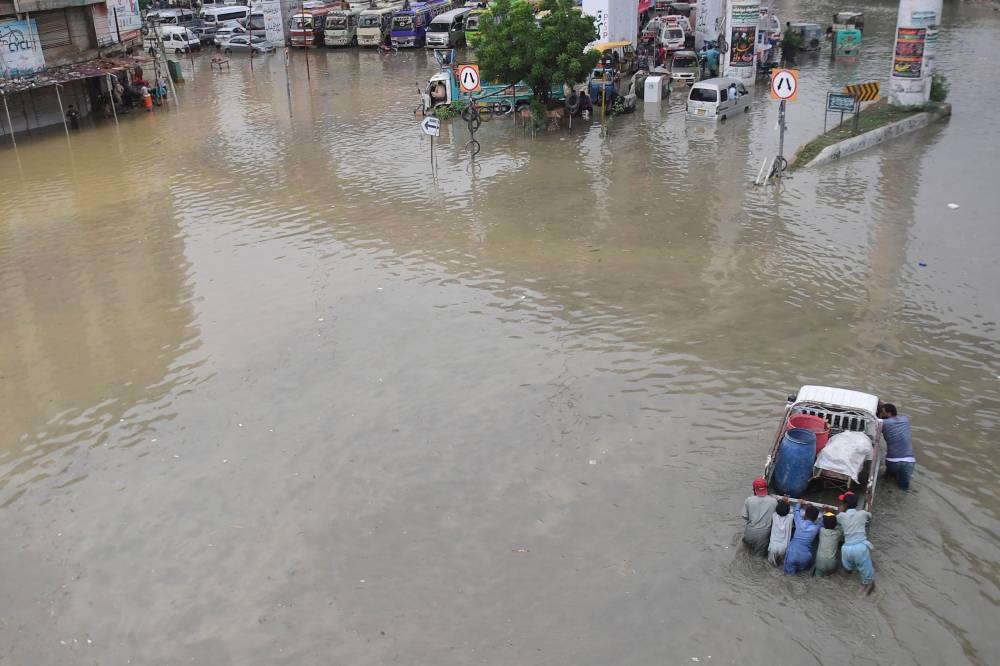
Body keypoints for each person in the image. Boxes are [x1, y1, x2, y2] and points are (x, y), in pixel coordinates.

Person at [836, 491, 875, 594]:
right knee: (867, 572)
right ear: (856, 505)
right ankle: (867, 586)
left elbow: (836, 519)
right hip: (860, 547)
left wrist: (840, 511)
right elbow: (869, 515)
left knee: (848, 568)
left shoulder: (841, 516)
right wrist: (869, 501)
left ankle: (851, 570)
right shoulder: (862, 513)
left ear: (844, 505)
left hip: (846, 549)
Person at [879, 403, 916, 490]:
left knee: (886, 481)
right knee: (903, 489)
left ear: (888, 413)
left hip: (892, 461)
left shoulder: (882, 423)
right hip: (909, 462)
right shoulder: (905, 420)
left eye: (882, 412)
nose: (881, 414)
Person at [741, 476, 776, 556]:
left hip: (749, 534)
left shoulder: (749, 500)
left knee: (747, 551)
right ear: (766, 489)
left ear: (754, 489)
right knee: (759, 556)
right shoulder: (774, 501)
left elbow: (744, 516)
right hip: (764, 536)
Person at [783, 499, 820, 575]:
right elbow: (823, 521)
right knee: (803, 573)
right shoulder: (816, 528)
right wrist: (828, 511)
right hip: (806, 557)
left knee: (788, 575)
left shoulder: (799, 522)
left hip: (792, 554)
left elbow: (796, 511)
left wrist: (799, 503)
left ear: (805, 515)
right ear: (816, 519)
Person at [813, 512, 842, 576]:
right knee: (828, 574)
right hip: (832, 564)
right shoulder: (838, 533)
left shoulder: (821, 530)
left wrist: (826, 512)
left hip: (820, 563)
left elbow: (819, 522)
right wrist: (833, 515)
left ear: (824, 524)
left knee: (817, 576)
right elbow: (840, 525)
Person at [767, 498, 793, 566]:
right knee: (781, 562)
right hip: (783, 547)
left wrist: (781, 502)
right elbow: (792, 511)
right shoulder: (790, 518)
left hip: (773, 546)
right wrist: (788, 503)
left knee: (771, 563)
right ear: (788, 511)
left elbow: (778, 509)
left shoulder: (774, 516)